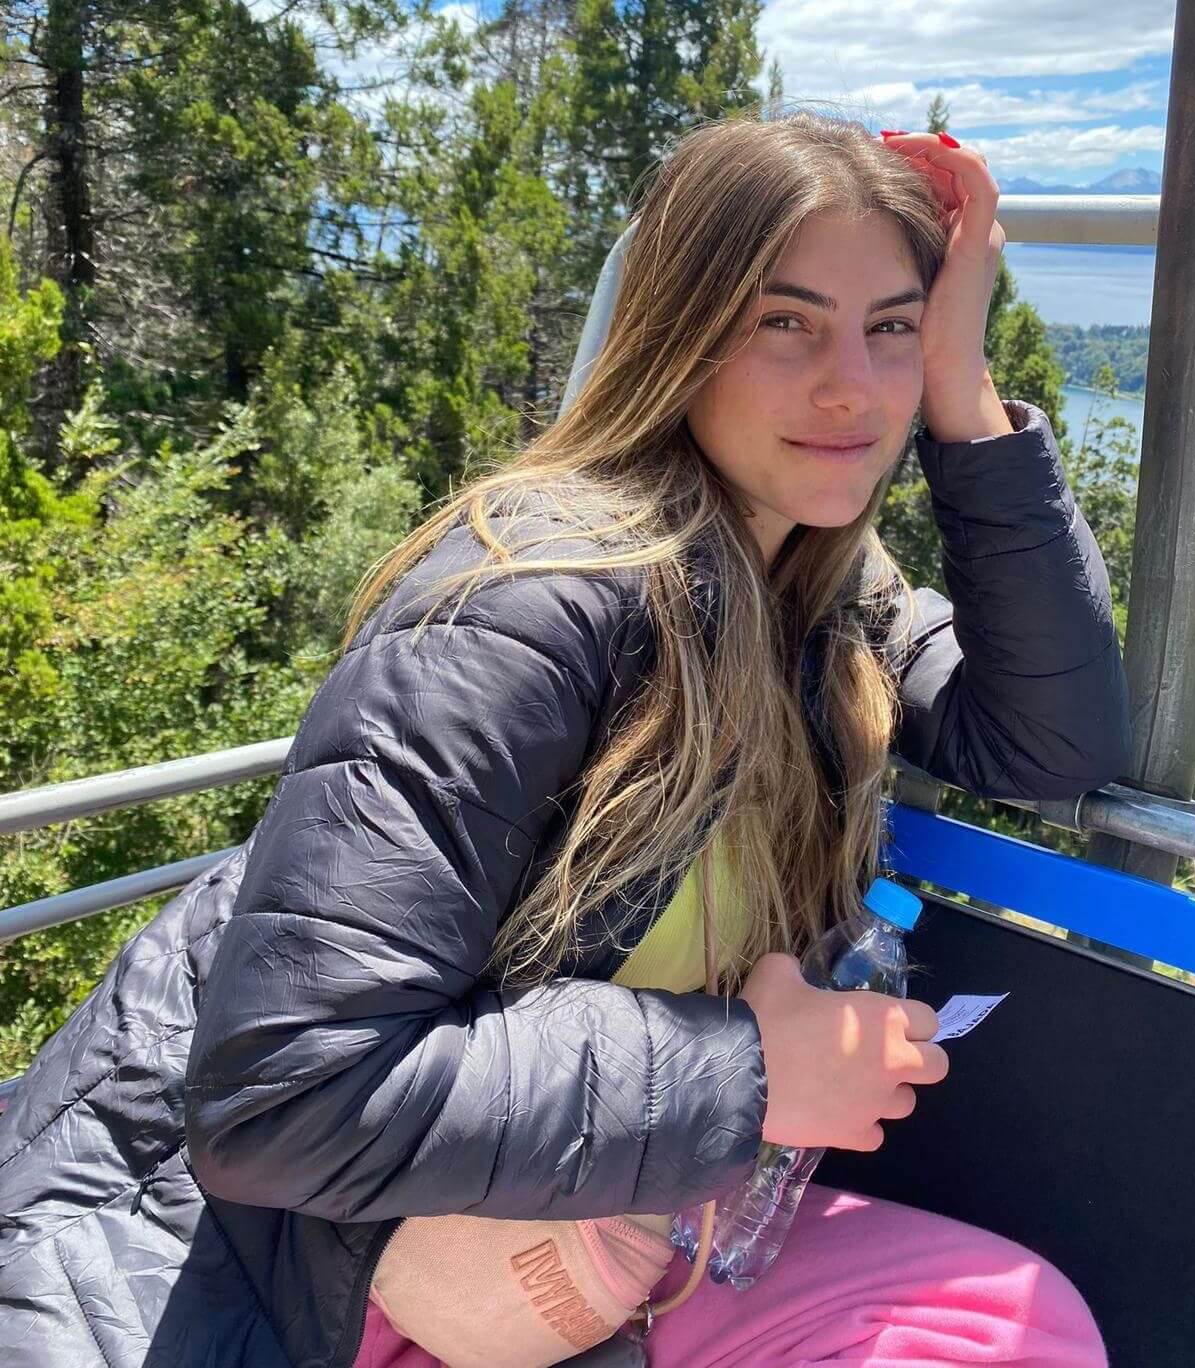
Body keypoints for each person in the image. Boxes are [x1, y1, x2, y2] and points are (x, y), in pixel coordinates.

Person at [0, 109, 1129, 1368]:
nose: (851, 386)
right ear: (681, 337)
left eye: (893, 327)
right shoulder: (526, 602)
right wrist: (751, 1072)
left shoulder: (823, 596)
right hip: (301, 1274)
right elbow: (285, 1099)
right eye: (784, 321)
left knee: (1008, 1329)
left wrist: (963, 391)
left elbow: (1049, 745)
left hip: (593, 1228)